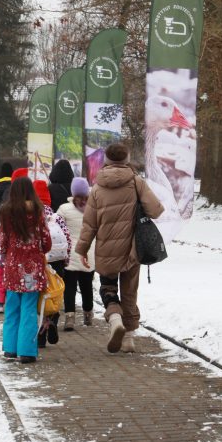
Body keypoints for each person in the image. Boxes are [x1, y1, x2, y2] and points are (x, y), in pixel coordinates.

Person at [75, 142, 163, 354]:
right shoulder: (136, 182)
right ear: (126, 159)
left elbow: (89, 224)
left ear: (106, 160)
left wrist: (82, 249)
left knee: (108, 287)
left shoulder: (97, 188)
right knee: (129, 292)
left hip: (106, 249)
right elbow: (156, 210)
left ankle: (115, 319)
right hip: (132, 248)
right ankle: (129, 339)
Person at [0, 176, 51, 363]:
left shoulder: (6, 212)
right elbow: (46, 242)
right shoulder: (38, 212)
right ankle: (26, 351)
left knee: (12, 308)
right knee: (28, 310)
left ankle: (10, 348)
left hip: (13, 268)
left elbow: (1, 243)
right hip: (32, 270)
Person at [33, 178, 71, 347]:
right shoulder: (56, 217)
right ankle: (53, 320)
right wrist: (66, 259)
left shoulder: (32, 216)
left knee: (40, 295)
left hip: (40, 261)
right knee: (54, 292)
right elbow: (67, 239)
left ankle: (41, 333)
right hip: (57, 261)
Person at [58, 177, 96, 330]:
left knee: (70, 287)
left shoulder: (64, 209)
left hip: (70, 255)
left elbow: (57, 230)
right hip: (88, 253)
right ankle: (88, 315)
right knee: (87, 286)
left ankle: (70, 318)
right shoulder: (94, 209)